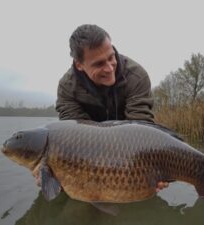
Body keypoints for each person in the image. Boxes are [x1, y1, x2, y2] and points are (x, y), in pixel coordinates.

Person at [34, 24, 168, 192]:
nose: (110, 68)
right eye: (99, 64)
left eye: (111, 57)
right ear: (79, 65)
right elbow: (72, 138)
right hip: (89, 149)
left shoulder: (136, 76)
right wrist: (54, 170)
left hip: (131, 146)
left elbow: (141, 131)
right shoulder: (67, 87)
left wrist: (150, 168)